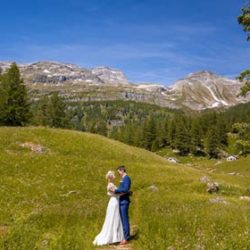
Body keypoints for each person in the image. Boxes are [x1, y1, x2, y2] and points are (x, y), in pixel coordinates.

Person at [93, 171, 125, 246]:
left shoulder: (112, 184)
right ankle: (113, 238)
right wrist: (125, 192)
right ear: (111, 177)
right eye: (113, 175)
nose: (114, 176)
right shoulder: (110, 185)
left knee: (115, 218)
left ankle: (116, 237)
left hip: (115, 201)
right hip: (114, 202)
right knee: (114, 218)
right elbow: (116, 192)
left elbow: (117, 192)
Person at [110, 165, 131, 245]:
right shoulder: (122, 179)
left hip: (124, 201)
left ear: (122, 171)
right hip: (121, 201)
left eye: (119, 172)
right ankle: (123, 236)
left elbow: (125, 189)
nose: (118, 174)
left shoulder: (127, 178)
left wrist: (116, 190)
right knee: (122, 219)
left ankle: (126, 238)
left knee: (125, 219)